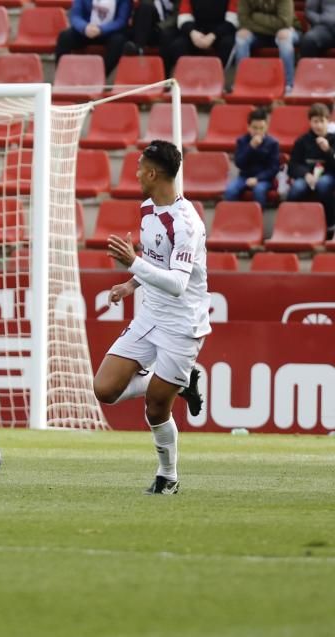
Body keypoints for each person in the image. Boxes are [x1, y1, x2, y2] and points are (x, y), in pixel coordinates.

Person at [94, 140, 208, 496]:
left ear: (154, 173)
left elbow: (176, 283)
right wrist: (130, 284)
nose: (136, 173)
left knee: (157, 406)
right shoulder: (148, 210)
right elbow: (155, 264)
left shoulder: (187, 223)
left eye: (140, 167)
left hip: (182, 323)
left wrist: (132, 264)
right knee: (105, 389)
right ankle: (178, 380)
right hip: (150, 315)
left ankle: (168, 476)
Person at [286, 102, 335, 238]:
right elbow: (292, 165)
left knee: (323, 184)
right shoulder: (302, 141)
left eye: (322, 121)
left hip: (329, 175)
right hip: (307, 177)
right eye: (315, 121)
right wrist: (305, 174)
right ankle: (290, 224)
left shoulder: (333, 140)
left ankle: (331, 224)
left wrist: (328, 151)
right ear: (310, 122)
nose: (318, 125)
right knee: (296, 188)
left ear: (328, 121)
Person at [233, 0, 297, 94]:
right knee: (241, 37)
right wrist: (273, 27)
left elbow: (284, 23)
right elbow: (243, 21)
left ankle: (288, 85)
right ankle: (243, 83)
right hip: (258, 34)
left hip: (286, 31)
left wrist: (255, 16)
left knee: (284, 39)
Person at [55, 0, 132, 76]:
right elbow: (75, 15)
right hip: (86, 30)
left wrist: (101, 29)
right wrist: (84, 27)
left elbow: (121, 21)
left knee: (119, 41)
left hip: (110, 32)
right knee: (65, 36)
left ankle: (99, 76)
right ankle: (62, 75)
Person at [223, 107, 280, 209]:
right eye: (255, 128)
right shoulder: (242, 141)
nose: (258, 131)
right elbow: (239, 163)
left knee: (259, 190)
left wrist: (257, 179)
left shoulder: (273, 143)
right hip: (244, 177)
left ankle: (257, 221)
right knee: (230, 191)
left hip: (264, 179)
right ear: (248, 127)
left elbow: (273, 168)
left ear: (266, 127)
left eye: (261, 128)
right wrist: (250, 147)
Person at [161, 0, 237, 75]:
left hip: (220, 32)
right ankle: (188, 78)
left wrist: (213, 35)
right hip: (196, 32)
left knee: (228, 44)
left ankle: (216, 78)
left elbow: (232, 20)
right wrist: (193, 33)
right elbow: (183, 18)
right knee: (178, 45)